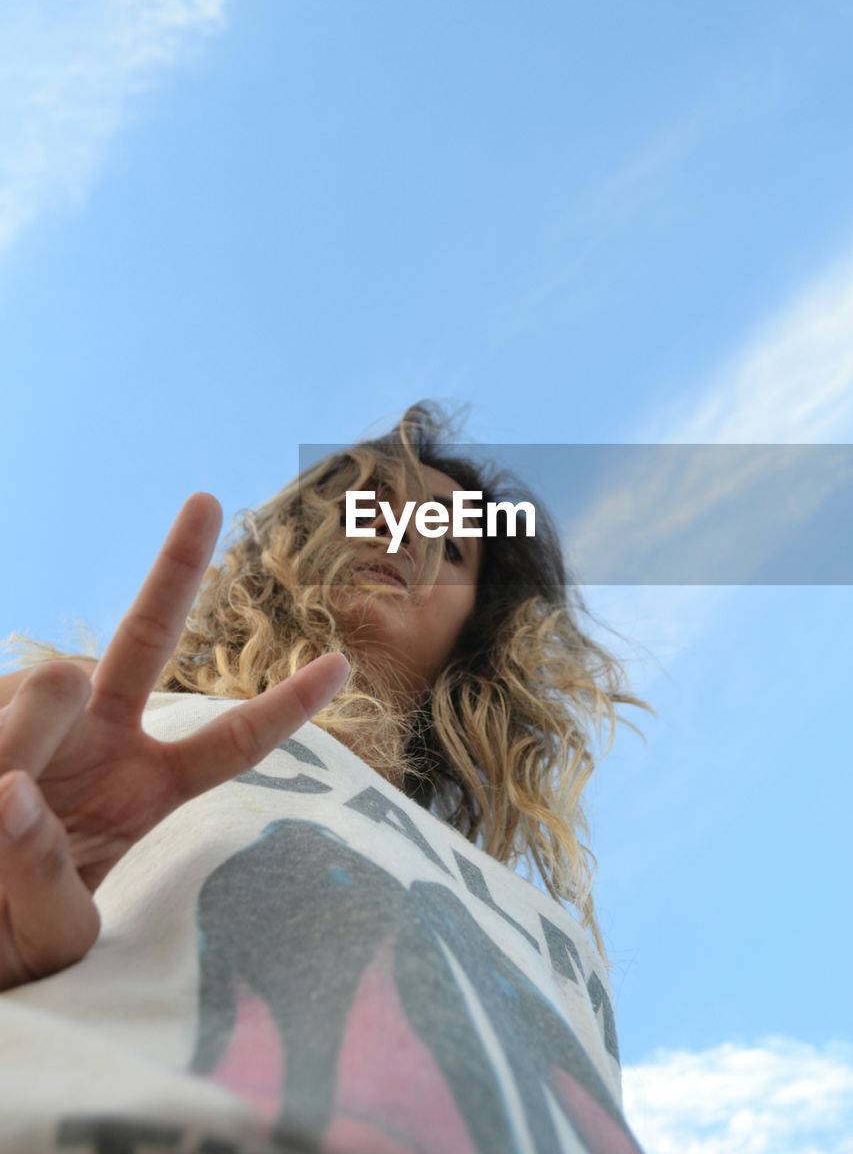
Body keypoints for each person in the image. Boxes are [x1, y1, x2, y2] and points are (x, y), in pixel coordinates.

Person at [0, 401, 653, 1154]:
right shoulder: (99, 717)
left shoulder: (544, 925)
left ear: (479, 630)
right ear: (295, 539)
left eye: (449, 545)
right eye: (374, 507)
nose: (407, 536)